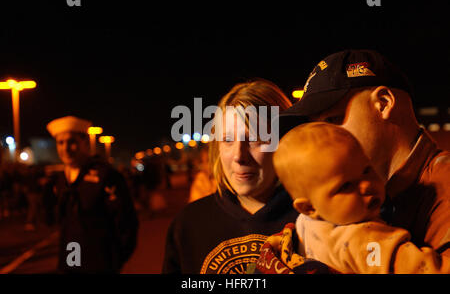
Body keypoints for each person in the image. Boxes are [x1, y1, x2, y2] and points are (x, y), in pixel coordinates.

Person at [257, 49, 450, 273]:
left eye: (332, 119)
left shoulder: (442, 186)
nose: (323, 137)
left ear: (384, 103)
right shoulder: (352, 196)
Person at [162, 78, 299, 274]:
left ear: (285, 140)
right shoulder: (188, 225)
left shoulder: (312, 219)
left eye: (254, 139)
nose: (238, 156)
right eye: (227, 140)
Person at [273, 122, 449, 273]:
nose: (366, 185)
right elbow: (426, 269)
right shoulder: (365, 238)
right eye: (346, 186)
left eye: (366, 170)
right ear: (309, 208)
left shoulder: (304, 226)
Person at [43, 116, 138, 273]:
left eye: (72, 142)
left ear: (85, 143)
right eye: (60, 143)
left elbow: (127, 222)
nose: (65, 148)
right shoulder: (60, 181)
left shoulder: (105, 176)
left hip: (100, 265)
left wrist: (114, 260)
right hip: (70, 264)